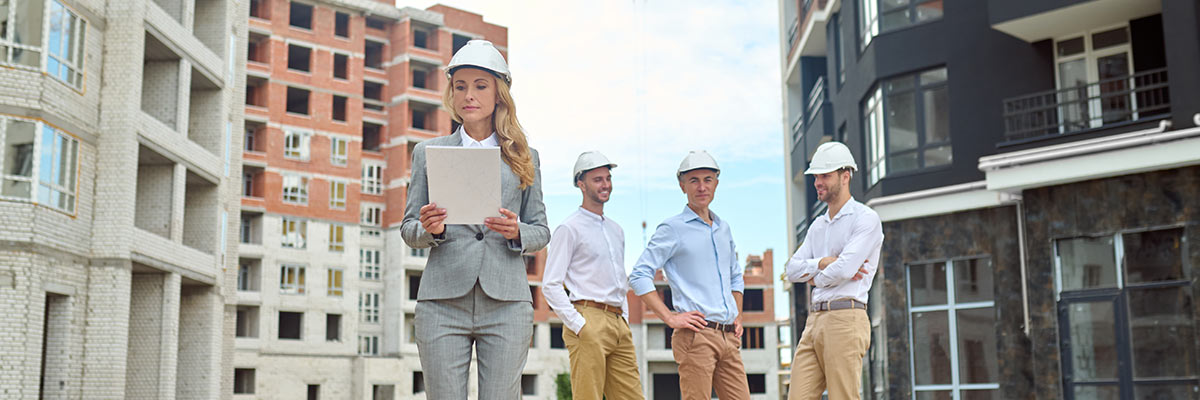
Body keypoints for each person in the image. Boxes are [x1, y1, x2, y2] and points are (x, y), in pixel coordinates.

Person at [401, 39, 550, 400]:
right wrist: (430, 229)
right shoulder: (427, 153)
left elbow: (541, 230)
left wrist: (518, 232)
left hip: (506, 303)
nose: (469, 95)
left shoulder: (524, 156)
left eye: (480, 86)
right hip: (442, 303)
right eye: (460, 86)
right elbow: (409, 229)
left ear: (499, 93)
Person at [629, 150, 750, 400]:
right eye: (694, 180)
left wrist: (737, 315)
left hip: (729, 336)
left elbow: (736, 277)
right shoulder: (672, 228)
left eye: (707, 179)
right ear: (682, 185)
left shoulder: (723, 228)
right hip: (697, 337)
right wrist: (670, 317)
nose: (701, 186)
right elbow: (639, 275)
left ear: (716, 183)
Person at [541, 151, 644, 400]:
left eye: (608, 178)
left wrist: (625, 319)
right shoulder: (569, 228)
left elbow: (620, 280)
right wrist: (579, 324)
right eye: (597, 179)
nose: (605, 185)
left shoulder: (616, 230)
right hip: (588, 319)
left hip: (618, 322)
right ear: (581, 184)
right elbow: (550, 284)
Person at [784, 141, 882, 399]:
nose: (817, 182)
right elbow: (791, 270)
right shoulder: (818, 226)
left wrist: (815, 278)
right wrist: (822, 262)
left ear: (845, 176)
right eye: (816, 176)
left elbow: (844, 270)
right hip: (814, 321)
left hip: (845, 318)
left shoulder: (866, 219)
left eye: (825, 175)